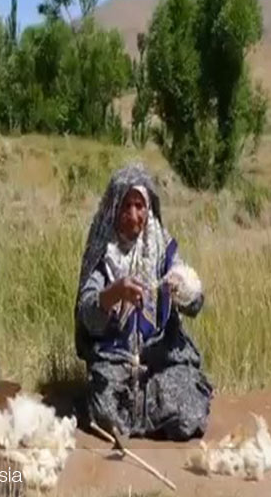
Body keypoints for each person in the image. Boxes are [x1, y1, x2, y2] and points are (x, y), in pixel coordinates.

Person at [75, 163, 213, 441]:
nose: (133, 215)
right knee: (105, 410)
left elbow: (196, 305)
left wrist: (183, 290)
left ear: (149, 208)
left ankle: (155, 412)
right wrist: (113, 293)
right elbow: (86, 315)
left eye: (139, 206)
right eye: (125, 206)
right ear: (114, 209)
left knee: (186, 407)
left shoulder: (161, 247)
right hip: (114, 359)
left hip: (162, 357)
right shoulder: (105, 253)